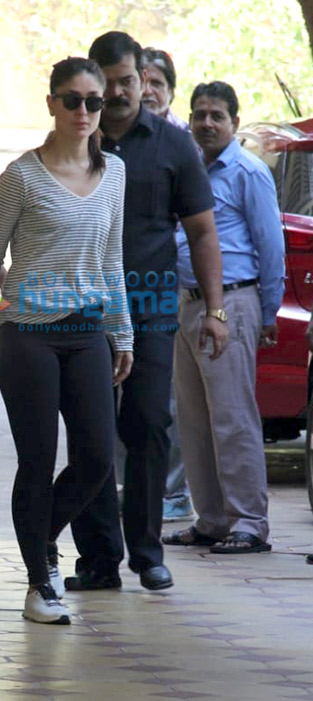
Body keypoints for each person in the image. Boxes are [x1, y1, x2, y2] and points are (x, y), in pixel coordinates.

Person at [64, 32, 227, 593]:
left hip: (152, 304)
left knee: (148, 425)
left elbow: (203, 232)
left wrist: (216, 311)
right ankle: (98, 559)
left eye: (127, 81)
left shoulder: (172, 146)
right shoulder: (73, 141)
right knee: (89, 431)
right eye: (105, 84)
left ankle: (148, 552)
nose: (117, 93)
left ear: (143, 78)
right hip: (83, 308)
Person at [0, 57, 134, 624]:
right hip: (27, 336)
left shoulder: (114, 173)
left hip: (87, 330)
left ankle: (42, 537)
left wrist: (123, 333)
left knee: (95, 458)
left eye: (96, 102)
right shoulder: (21, 175)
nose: (85, 112)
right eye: (73, 100)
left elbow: (112, 257)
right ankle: (39, 584)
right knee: (37, 460)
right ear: (51, 104)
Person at [163, 81, 285, 553]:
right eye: (199, 115)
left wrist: (268, 312)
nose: (207, 123)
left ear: (235, 122)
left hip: (232, 303)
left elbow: (271, 246)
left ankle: (249, 522)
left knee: (233, 418)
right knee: (193, 420)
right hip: (185, 303)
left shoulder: (249, 172)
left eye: (217, 115)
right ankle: (212, 519)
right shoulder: (187, 170)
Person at [140, 46, 194, 522]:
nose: (149, 90)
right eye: (143, 81)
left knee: (166, 400)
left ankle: (173, 492)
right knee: (123, 393)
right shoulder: (111, 138)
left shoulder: (181, 142)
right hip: (127, 288)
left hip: (173, 285)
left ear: (170, 91)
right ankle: (129, 487)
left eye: (158, 82)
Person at [141, 47, 188, 130]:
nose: (147, 91)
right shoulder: (118, 132)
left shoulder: (185, 134)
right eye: (142, 82)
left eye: (156, 84)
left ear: (170, 91)